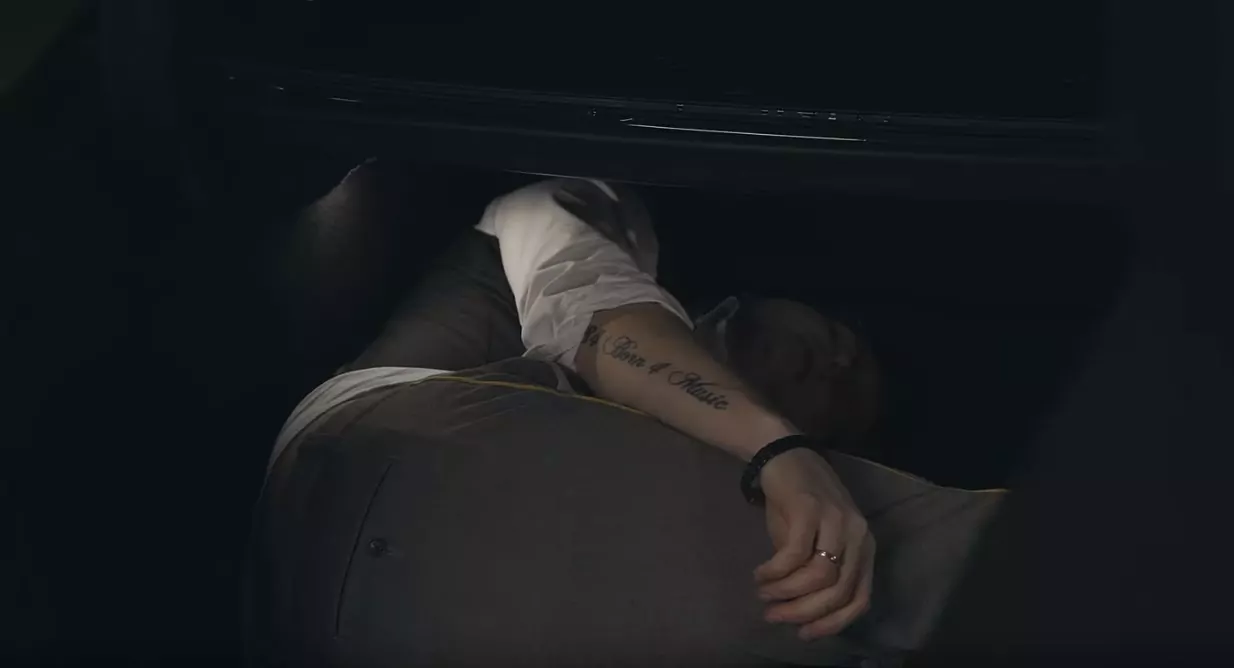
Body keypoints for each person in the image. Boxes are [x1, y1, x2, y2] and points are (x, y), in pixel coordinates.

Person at [248, 163, 1004, 667]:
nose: (836, 366)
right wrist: (785, 454)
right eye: (842, 343)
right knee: (924, 558)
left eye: (847, 395)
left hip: (310, 619)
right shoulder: (596, 215)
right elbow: (600, 316)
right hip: (396, 458)